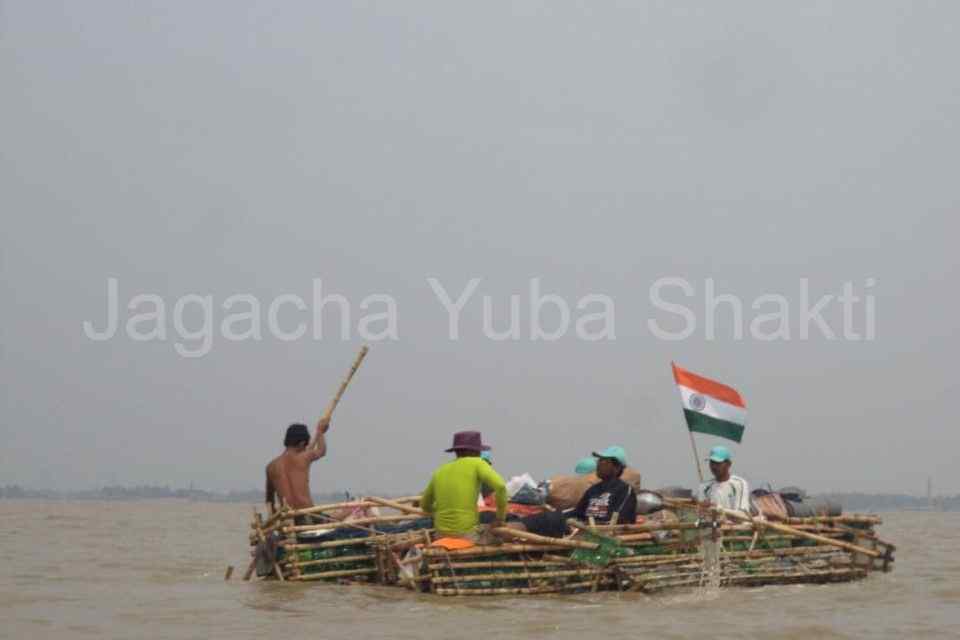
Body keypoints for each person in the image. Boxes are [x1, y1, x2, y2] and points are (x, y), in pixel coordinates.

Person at [420, 430, 508, 540]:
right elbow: (501, 487)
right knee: (501, 535)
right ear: (476, 451)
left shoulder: (440, 470)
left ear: (456, 451)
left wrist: (442, 511)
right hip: (468, 535)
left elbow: (424, 505)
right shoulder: (477, 463)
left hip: (440, 535)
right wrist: (500, 518)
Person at [265, 416, 330, 514]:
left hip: (288, 519)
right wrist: (320, 431)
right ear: (301, 444)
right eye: (305, 446)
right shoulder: (304, 457)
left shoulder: (270, 467)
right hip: (309, 515)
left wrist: (274, 517)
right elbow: (321, 451)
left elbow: (269, 500)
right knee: (348, 512)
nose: (306, 449)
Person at [570, 446, 637, 524]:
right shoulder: (593, 490)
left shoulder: (625, 490)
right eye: (599, 460)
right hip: (588, 531)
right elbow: (578, 513)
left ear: (617, 468)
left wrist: (590, 524)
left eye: (604, 461)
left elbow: (619, 519)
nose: (599, 464)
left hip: (608, 533)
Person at [696, 445, 751, 515]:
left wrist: (718, 509)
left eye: (718, 463)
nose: (714, 466)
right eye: (712, 462)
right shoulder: (704, 487)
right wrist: (703, 510)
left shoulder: (740, 483)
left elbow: (743, 514)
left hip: (735, 525)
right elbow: (700, 514)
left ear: (729, 464)